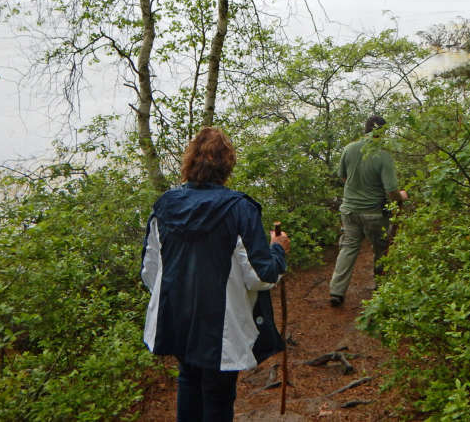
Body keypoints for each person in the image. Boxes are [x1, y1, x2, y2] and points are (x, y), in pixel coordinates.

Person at [141, 127, 291, 422]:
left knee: (188, 380)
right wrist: (278, 250)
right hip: (219, 325)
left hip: (177, 317)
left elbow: (150, 272)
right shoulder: (239, 209)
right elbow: (261, 275)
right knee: (218, 394)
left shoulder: (166, 206)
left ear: (190, 161)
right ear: (227, 165)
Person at [328, 115, 408, 307]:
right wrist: (402, 196)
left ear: (365, 129)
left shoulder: (349, 149)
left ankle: (336, 291)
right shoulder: (383, 155)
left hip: (349, 210)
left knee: (348, 247)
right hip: (374, 213)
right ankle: (381, 288)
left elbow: (343, 177)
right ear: (383, 132)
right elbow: (391, 191)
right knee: (381, 247)